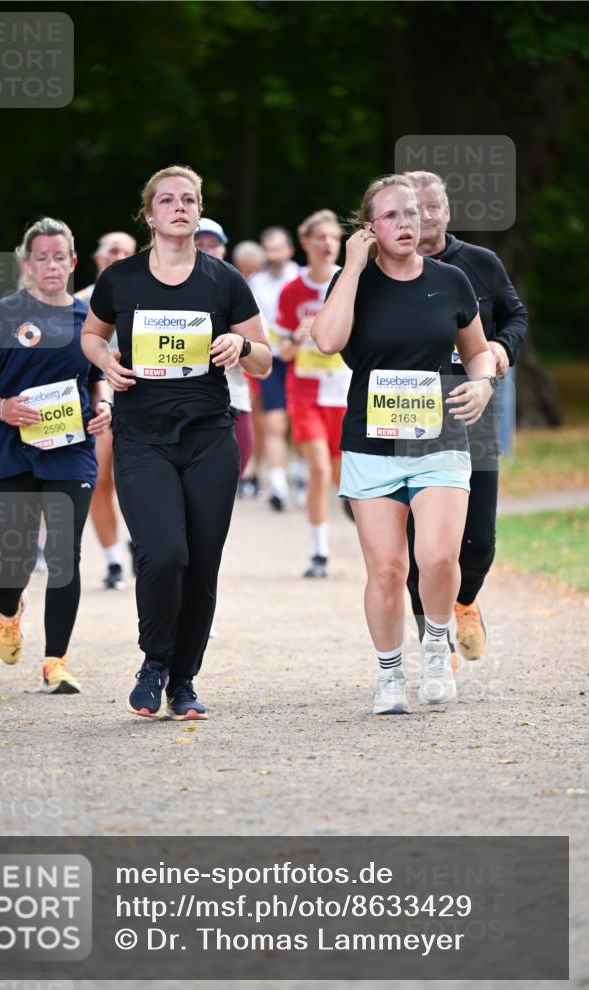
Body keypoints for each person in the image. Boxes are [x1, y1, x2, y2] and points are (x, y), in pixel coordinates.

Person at [80, 165, 271, 722]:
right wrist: (104, 361)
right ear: (150, 214)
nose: (179, 207)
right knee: (164, 554)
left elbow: (264, 358)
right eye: (168, 200)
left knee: (202, 564)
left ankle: (184, 681)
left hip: (210, 437)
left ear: (199, 209)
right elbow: (92, 334)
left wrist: (239, 342)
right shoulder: (121, 278)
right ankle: (153, 663)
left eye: (189, 199)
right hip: (142, 437)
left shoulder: (224, 279)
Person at [311, 175, 496, 714]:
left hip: (439, 439)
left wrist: (482, 382)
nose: (406, 224)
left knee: (438, 556)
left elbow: (479, 350)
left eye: (412, 214)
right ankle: (390, 675)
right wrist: (350, 268)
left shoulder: (451, 280)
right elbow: (326, 341)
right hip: (371, 443)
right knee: (387, 570)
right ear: (369, 227)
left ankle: (436, 648)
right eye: (392, 216)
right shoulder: (356, 282)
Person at [0, 217, 112, 695]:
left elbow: (96, 374)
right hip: (10, 450)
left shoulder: (87, 318)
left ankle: (56, 661)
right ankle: (9, 613)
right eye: (40, 257)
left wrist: (103, 403)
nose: (50, 265)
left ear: (72, 261)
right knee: (18, 555)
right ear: (26, 263)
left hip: (71, 450)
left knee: (65, 554)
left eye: (58, 257)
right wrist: (2, 407)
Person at [403, 170, 528, 663]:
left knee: (476, 544)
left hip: (471, 409)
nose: (425, 217)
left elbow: (516, 315)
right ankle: (435, 646)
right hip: (407, 413)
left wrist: (500, 346)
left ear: (448, 211)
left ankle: (465, 600)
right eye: (414, 208)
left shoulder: (479, 263)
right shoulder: (385, 269)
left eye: (433, 207)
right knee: (419, 548)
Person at [276, 210, 351, 577]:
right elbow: (283, 352)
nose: (327, 244)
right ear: (305, 242)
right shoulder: (292, 291)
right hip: (305, 391)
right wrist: (297, 336)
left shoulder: (353, 282)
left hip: (344, 391)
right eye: (320, 237)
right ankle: (319, 553)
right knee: (318, 470)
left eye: (334, 237)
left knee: (343, 479)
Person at [77, 231, 138, 589]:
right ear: (98, 258)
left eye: (126, 252)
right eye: (112, 250)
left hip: (140, 399)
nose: (118, 256)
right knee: (99, 480)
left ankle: (137, 542)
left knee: (135, 479)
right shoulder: (79, 302)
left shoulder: (146, 296)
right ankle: (114, 560)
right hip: (98, 402)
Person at [194, 217, 255, 475]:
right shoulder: (163, 289)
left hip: (233, 400)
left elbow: (263, 364)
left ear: (224, 249)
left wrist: (240, 343)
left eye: (214, 244)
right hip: (185, 403)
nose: (208, 249)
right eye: (200, 243)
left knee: (231, 475)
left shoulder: (237, 290)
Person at [246, 227, 301, 510]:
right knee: (274, 422)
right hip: (272, 360)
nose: (273, 254)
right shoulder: (256, 282)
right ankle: (277, 486)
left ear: (290, 250)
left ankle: (300, 472)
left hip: (303, 359)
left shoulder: (301, 279)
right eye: (268, 249)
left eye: (278, 248)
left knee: (298, 423)